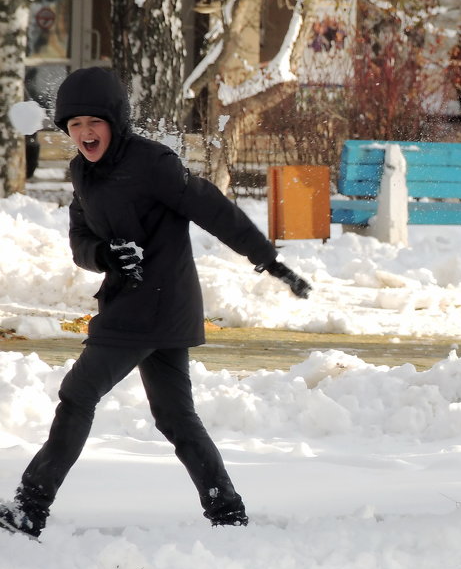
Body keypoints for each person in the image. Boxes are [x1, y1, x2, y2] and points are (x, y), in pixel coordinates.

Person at [0, 67, 311, 539]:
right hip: (143, 306)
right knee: (175, 415)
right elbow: (80, 241)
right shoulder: (83, 172)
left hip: (151, 309)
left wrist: (268, 259)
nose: (85, 132)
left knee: (78, 395)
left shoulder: (152, 163)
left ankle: (30, 507)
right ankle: (227, 512)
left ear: (115, 122)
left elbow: (213, 208)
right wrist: (106, 255)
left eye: (95, 122)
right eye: (75, 124)